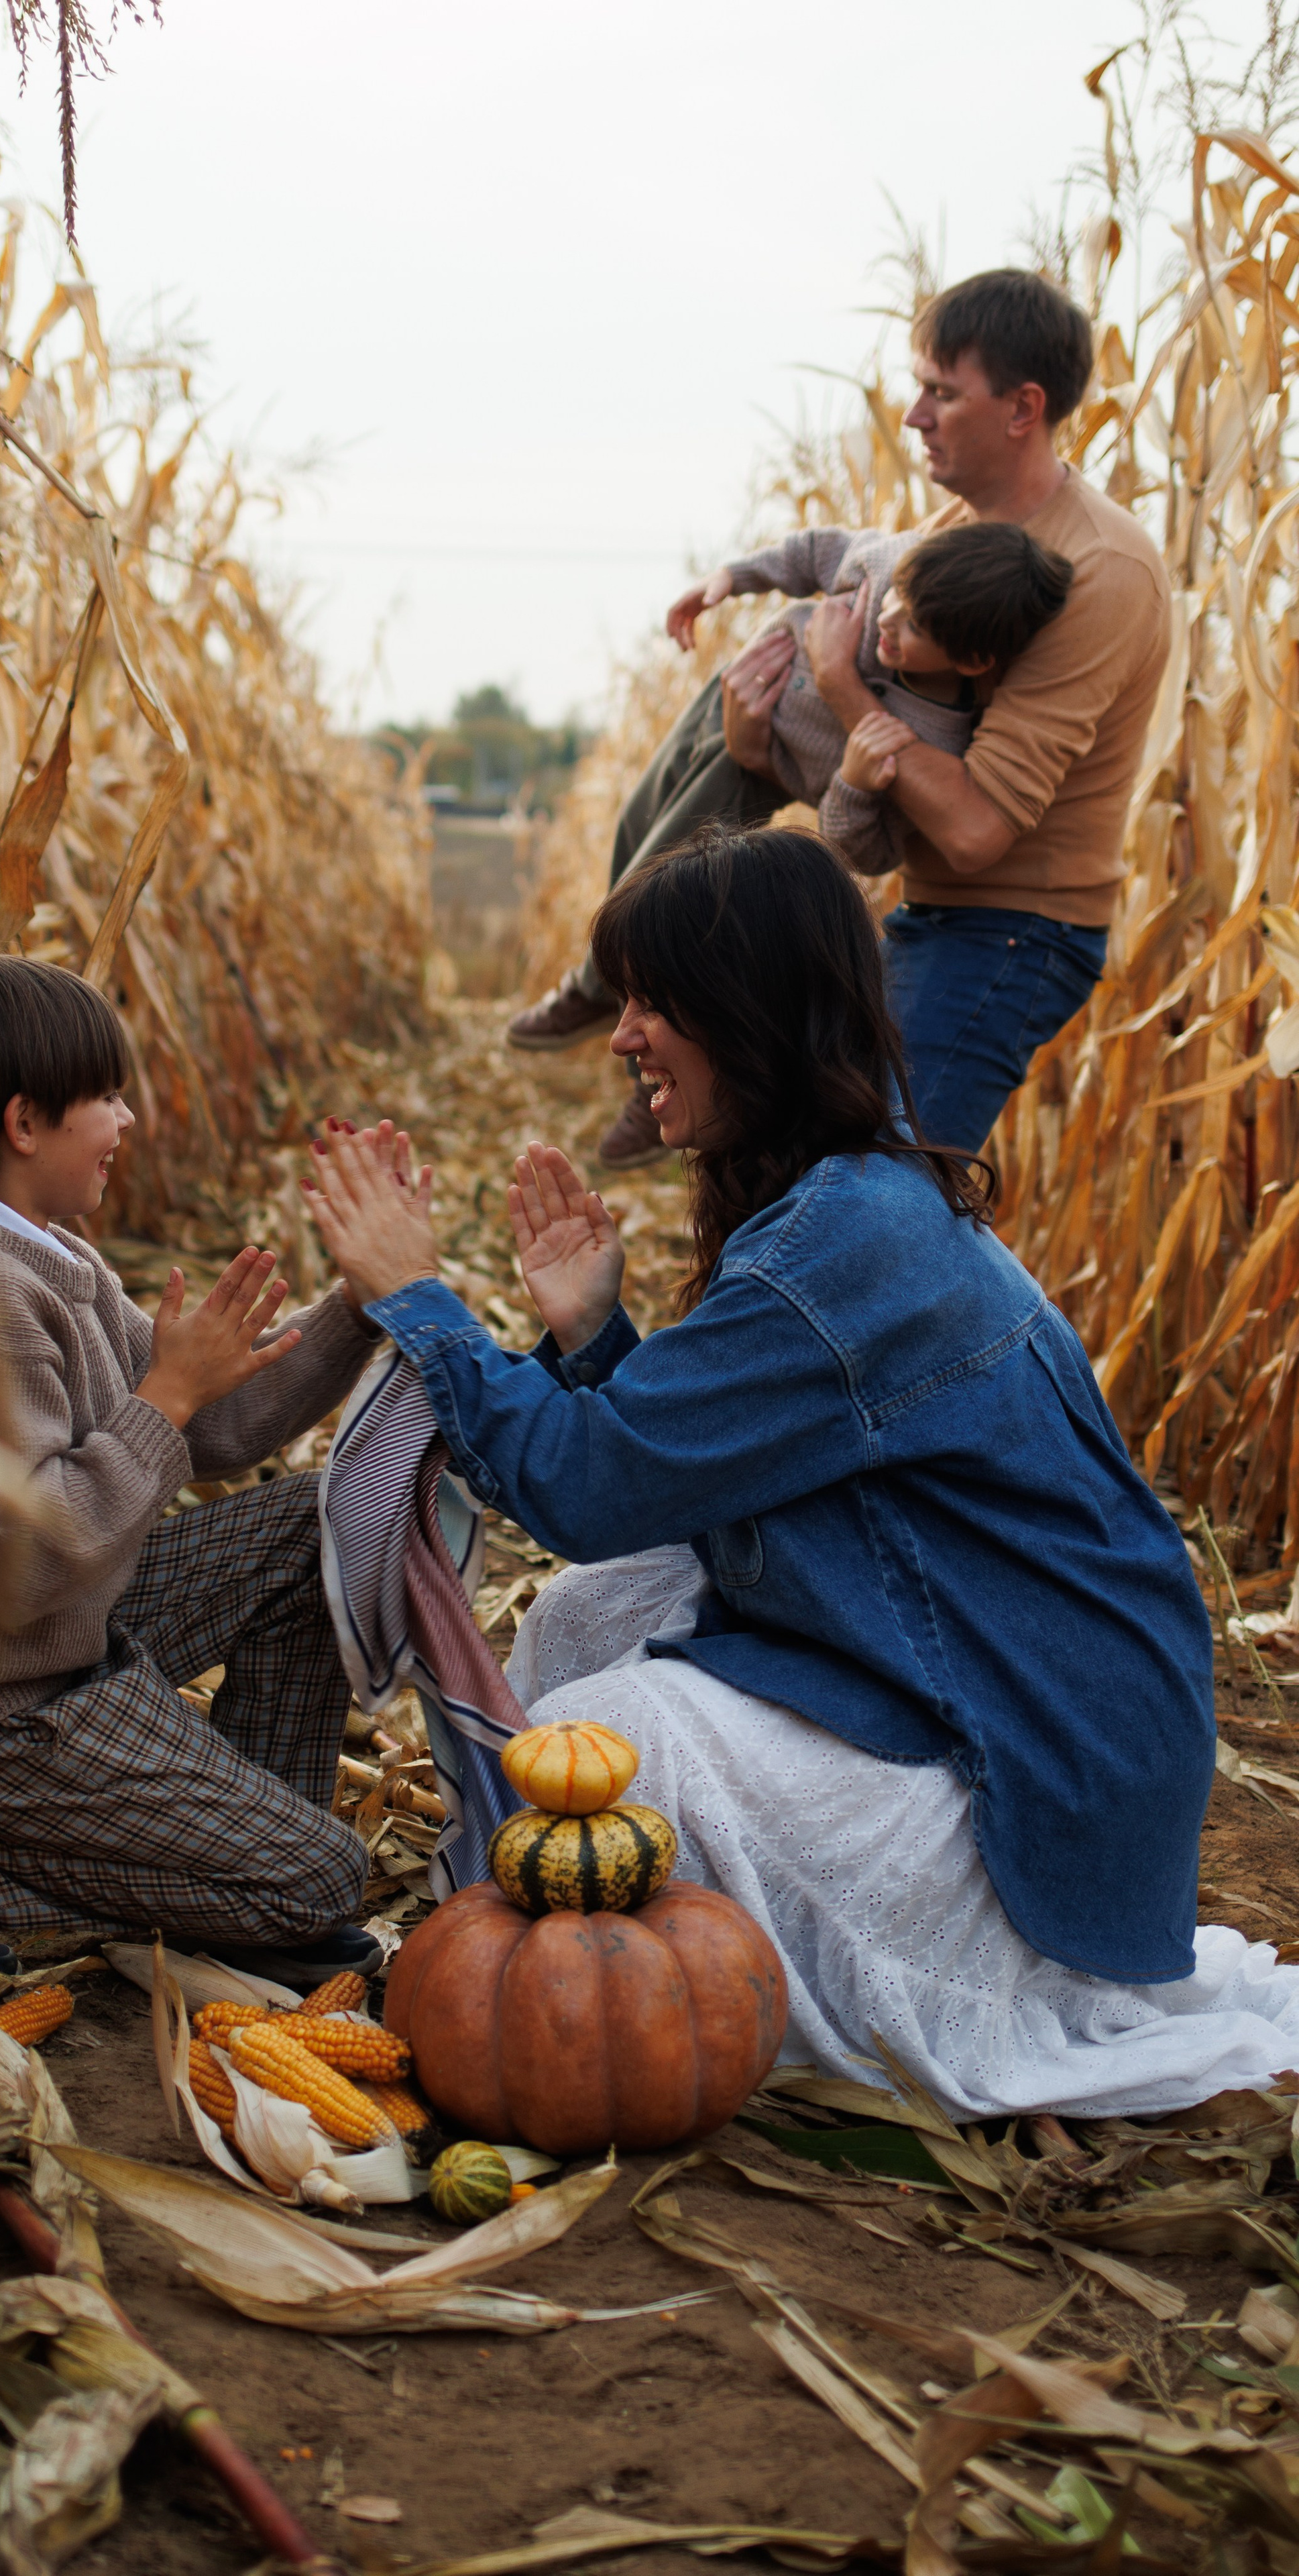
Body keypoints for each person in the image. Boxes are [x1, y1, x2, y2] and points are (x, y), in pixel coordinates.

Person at [306, 826, 1299, 2119]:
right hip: (966, 1668)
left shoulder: (848, 1243)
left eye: (657, 1002)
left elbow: (588, 1487)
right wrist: (594, 1337)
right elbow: (679, 1474)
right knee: (584, 1617)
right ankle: (605, 1934)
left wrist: (419, 1300)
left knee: (612, 1748)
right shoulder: (845, 1204)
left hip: (1031, 1761)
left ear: (751, 1009)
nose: (623, 1037)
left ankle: (720, 1990)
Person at [510, 268, 1170, 1169]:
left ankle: (620, 990)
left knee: (879, 1190)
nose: (913, 416)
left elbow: (977, 830)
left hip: (1011, 934)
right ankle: (635, 997)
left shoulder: (1097, 569)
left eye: (942, 392)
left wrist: (836, 681)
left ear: (1023, 408)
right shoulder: (950, 536)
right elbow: (876, 750)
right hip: (933, 916)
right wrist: (758, 749)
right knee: (835, 1177)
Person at [0, 954, 382, 1987]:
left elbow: (217, 1430)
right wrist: (164, 1395)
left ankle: (226, 1850)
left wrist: (359, 1301)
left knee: (319, 1523)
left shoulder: (47, 1258)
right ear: (26, 1124)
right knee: (323, 1882)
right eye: (109, 1098)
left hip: (58, 1639)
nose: (129, 1120)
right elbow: (19, 1565)